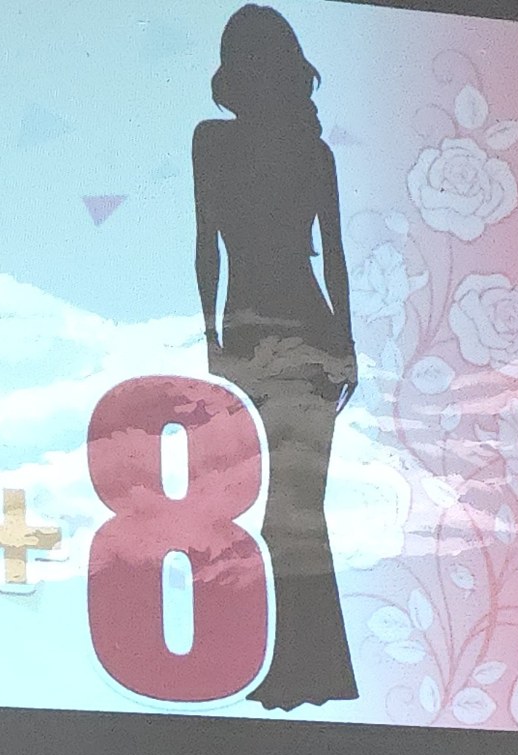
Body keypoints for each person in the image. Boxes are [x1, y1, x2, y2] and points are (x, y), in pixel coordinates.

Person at [193, 4, 359, 709]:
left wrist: (347, 348)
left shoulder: (233, 144)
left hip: (282, 338)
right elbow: (207, 246)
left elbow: (331, 257)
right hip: (275, 338)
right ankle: (299, 670)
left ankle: (297, 672)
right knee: (284, 507)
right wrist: (212, 339)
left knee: (292, 507)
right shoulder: (225, 143)